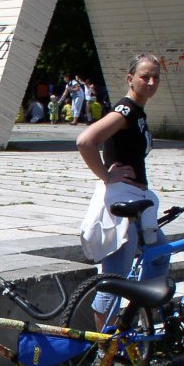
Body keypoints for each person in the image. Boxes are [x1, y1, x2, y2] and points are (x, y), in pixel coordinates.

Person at [77, 52, 170, 327]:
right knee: (114, 280)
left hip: (138, 202)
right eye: (145, 77)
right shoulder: (125, 110)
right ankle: (106, 345)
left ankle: (137, 324)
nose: (151, 82)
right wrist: (106, 175)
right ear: (130, 79)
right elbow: (86, 141)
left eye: (155, 77)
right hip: (123, 206)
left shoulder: (137, 111)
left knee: (160, 256)